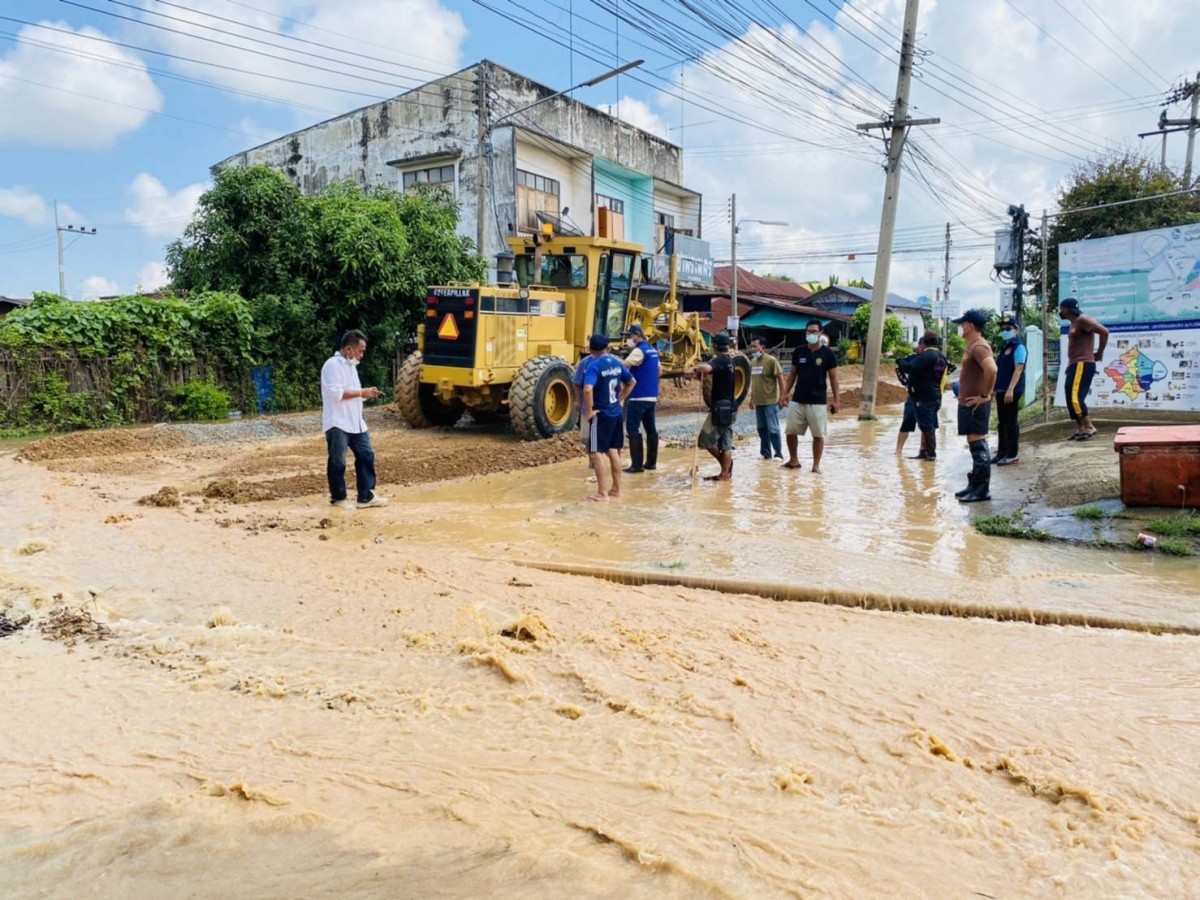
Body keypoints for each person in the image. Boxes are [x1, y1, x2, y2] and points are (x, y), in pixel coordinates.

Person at [321, 329, 388, 509]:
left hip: (356, 423)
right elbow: (336, 393)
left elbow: (354, 393)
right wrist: (361, 392)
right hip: (337, 422)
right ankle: (339, 498)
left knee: (367, 454)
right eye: (360, 350)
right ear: (349, 349)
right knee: (338, 461)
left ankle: (365, 496)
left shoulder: (351, 367)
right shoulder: (332, 365)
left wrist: (366, 393)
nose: (362, 354)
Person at [781, 320, 840, 474]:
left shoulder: (828, 354)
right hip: (798, 399)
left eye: (814, 331)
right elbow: (792, 374)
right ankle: (794, 460)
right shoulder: (799, 351)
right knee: (790, 431)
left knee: (818, 435)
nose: (811, 334)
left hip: (818, 401)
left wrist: (836, 400)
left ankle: (816, 465)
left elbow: (834, 378)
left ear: (820, 333)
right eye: (808, 331)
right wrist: (785, 394)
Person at [951, 309, 997, 503]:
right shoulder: (972, 345)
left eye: (963, 324)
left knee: (978, 443)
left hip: (975, 405)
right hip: (968, 404)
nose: (961, 327)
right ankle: (974, 484)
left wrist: (984, 395)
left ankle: (981, 489)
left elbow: (992, 369)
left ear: (970, 325)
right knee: (973, 442)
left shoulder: (979, 346)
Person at [581, 333, 635, 502]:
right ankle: (616, 490)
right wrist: (620, 399)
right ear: (608, 348)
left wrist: (589, 412)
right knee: (613, 451)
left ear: (590, 349)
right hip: (616, 413)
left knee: (596, 453)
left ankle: (602, 493)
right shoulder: (617, 363)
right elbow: (632, 382)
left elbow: (588, 389)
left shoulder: (594, 366)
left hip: (602, 414)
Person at [1059, 297, 1109, 441]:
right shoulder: (1074, 323)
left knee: (1075, 397)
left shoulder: (1083, 320)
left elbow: (1104, 332)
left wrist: (1099, 353)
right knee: (1070, 395)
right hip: (1075, 364)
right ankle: (1081, 428)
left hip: (1083, 363)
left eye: (1061, 308)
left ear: (1066, 309)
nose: (1060, 311)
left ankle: (1088, 426)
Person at [690, 331, 736, 481]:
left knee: (704, 440)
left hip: (720, 410)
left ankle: (726, 466)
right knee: (725, 443)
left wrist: (696, 369)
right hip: (730, 408)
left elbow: (706, 368)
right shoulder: (729, 361)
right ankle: (724, 473)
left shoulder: (721, 361)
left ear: (715, 346)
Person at [895, 332, 948, 461]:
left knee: (926, 425)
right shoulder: (942, 357)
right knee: (928, 424)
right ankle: (925, 452)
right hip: (935, 395)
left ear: (924, 342)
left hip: (924, 397)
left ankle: (930, 454)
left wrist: (899, 361)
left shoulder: (926, 356)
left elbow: (910, 368)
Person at [619, 324, 660, 473]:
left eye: (630, 336)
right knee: (651, 428)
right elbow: (658, 371)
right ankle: (651, 463)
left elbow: (624, 366)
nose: (629, 339)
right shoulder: (653, 351)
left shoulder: (639, 351)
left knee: (632, 428)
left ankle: (636, 465)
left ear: (637, 335)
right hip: (651, 396)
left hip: (638, 396)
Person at [993, 312, 1027, 465]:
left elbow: (1018, 369)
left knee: (1010, 422)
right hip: (1001, 388)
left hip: (1012, 390)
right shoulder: (1004, 347)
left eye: (1008, 328)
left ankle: (1012, 454)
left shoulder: (1019, 348)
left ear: (1016, 329)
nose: (1005, 331)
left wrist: (1010, 389)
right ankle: (1001, 453)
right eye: (1003, 328)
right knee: (1002, 422)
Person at [746, 336, 785, 460]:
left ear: (763, 347)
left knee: (773, 428)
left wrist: (783, 397)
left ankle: (778, 453)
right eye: (751, 347)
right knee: (761, 428)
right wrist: (752, 399)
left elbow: (781, 378)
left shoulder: (771, 361)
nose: (752, 349)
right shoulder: (752, 362)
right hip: (759, 402)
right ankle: (765, 454)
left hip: (770, 402)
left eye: (755, 346)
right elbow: (754, 382)